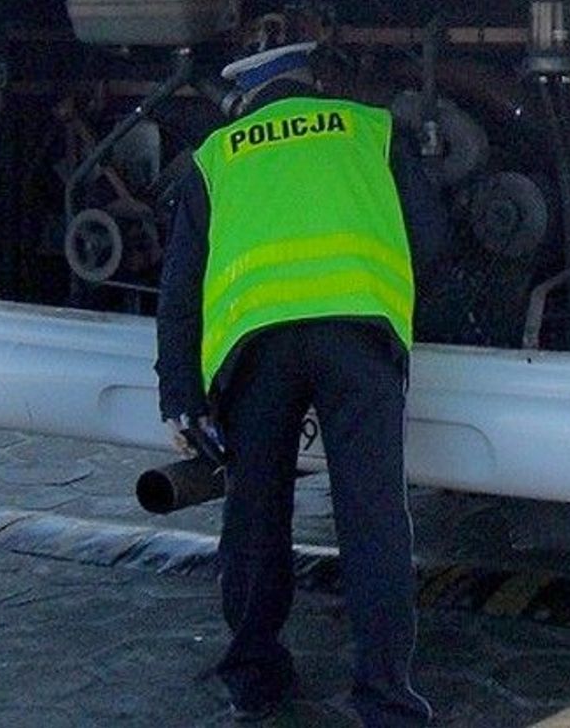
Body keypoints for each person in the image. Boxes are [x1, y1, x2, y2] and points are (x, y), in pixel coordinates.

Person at [154, 40, 444, 725]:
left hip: (257, 353)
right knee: (374, 520)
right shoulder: (370, 132)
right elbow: (430, 242)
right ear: (312, 83)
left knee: (255, 512)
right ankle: (386, 699)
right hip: (357, 341)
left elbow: (181, 293)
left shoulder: (217, 156)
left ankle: (254, 678)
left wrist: (180, 395)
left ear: (247, 96)